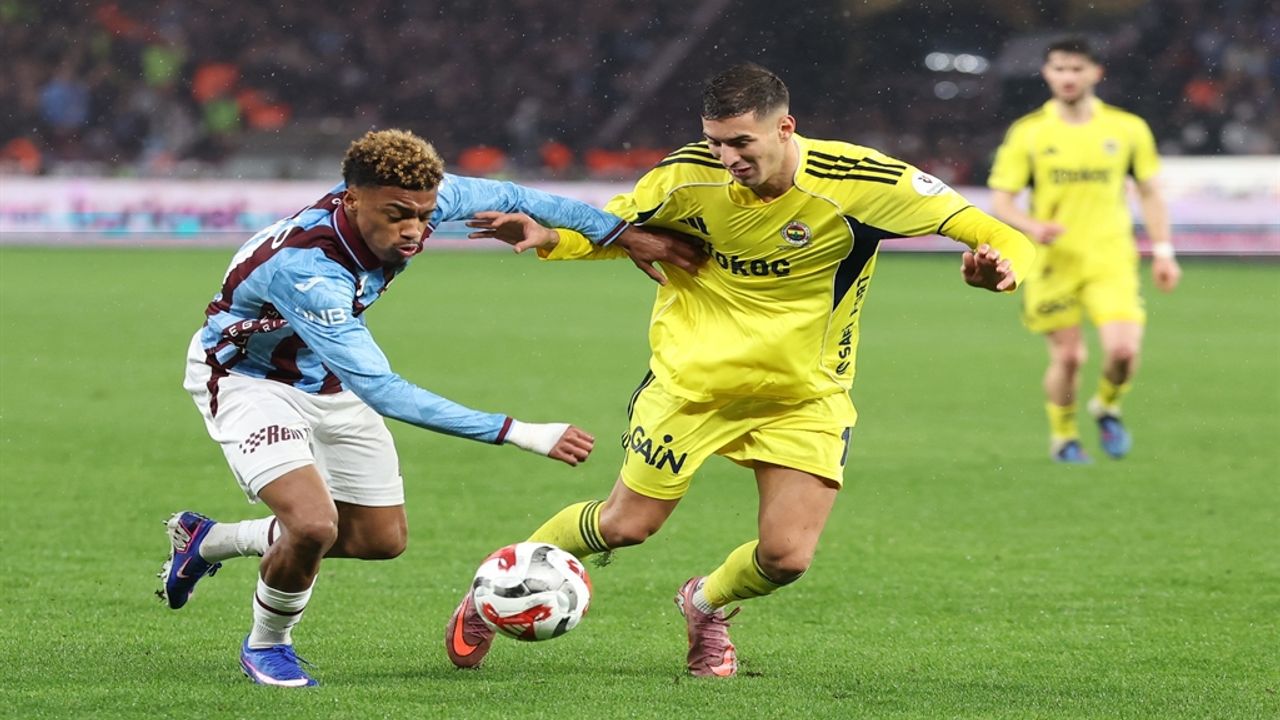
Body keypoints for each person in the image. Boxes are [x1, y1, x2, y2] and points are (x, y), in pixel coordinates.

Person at [444, 63, 1036, 677]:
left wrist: (1002, 269)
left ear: (785, 128)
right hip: (692, 387)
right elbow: (614, 232)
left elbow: (998, 233)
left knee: (786, 558)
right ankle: (492, 597)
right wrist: (548, 238)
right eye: (715, 142)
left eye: (741, 142)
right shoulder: (683, 176)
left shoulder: (860, 182)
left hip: (803, 396)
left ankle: (704, 604)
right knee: (626, 526)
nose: (727, 158)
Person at [158, 129, 701, 688]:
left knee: (380, 540)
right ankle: (268, 645)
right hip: (248, 381)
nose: (415, 230)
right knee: (314, 524)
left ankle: (210, 541)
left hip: (329, 378)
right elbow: (385, 390)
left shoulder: (425, 200)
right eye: (397, 216)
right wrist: (516, 431)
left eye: (422, 215)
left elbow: (521, 198)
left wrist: (622, 235)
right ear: (352, 200)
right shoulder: (308, 271)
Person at [988, 37, 1182, 463]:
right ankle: (1064, 438)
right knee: (1070, 356)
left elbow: (1150, 192)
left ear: (1096, 73)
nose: (1068, 77)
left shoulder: (1127, 128)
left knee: (1123, 352)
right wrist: (1032, 225)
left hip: (1111, 258)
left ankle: (1107, 406)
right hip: (1054, 263)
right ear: (1046, 74)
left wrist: (1164, 251)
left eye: (1077, 69)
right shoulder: (1029, 133)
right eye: (1059, 69)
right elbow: (1002, 200)